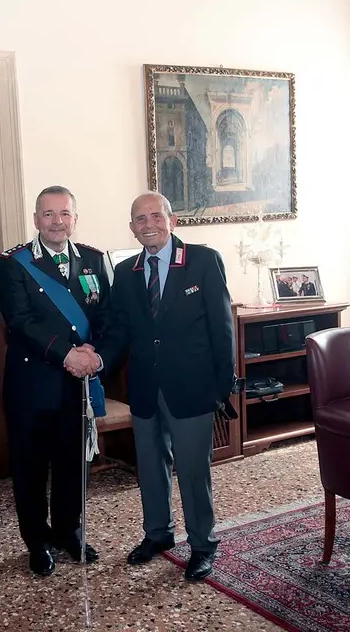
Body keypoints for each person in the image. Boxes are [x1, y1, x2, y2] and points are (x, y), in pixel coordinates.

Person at [93, 191, 234, 582]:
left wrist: (225, 384)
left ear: (172, 220)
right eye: (140, 218)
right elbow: (120, 330)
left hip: (192, 387)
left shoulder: (203, 261)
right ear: (132, 227)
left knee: (192, 470)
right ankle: (158, 534)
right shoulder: (125, 272)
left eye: (156, 216)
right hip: (144, 388)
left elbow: (222, 328)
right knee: (151, 468)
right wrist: (98, 357)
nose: (148, 224)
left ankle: (203, 545)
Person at [0, 185, 111, 576]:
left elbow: (107, 317)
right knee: (30, 469)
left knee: (72, 465)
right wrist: (67, 355)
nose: (57, 221)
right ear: (35, 219)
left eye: (64, 214)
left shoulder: (95, 260)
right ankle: (36, 540)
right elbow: (20, 322)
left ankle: (68, 530)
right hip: (32, 385)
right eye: (48, 214)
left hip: (76, 386)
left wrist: (94, 353)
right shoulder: (14, 263)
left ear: (74, 218)